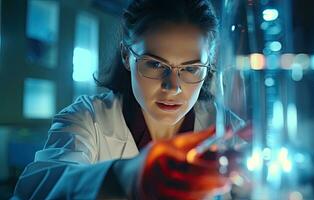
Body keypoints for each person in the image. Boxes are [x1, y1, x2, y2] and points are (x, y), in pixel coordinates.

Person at [13, 0, 247, 199]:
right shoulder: (87, 119)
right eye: (155, 64)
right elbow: (36, 190)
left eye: (191, 69)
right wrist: (125, 176)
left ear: (209, 66)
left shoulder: (228, 129)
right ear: (127, 55)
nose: (173, 87)